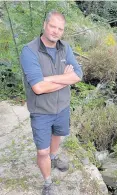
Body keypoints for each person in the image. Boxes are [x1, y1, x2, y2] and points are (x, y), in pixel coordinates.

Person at [20, 10, 83, 195]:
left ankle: (54, 157)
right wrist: (64, 78)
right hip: (41, 111)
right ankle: (47, 183)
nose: (56, 31)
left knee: (58, 135)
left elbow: (78, 75)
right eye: (52, 26)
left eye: (60, 29)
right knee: (42, 152)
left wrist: (49, 79)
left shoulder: (65, 48)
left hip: (62, 107)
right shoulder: (29, 51)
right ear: (44, 25)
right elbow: (38, 88)